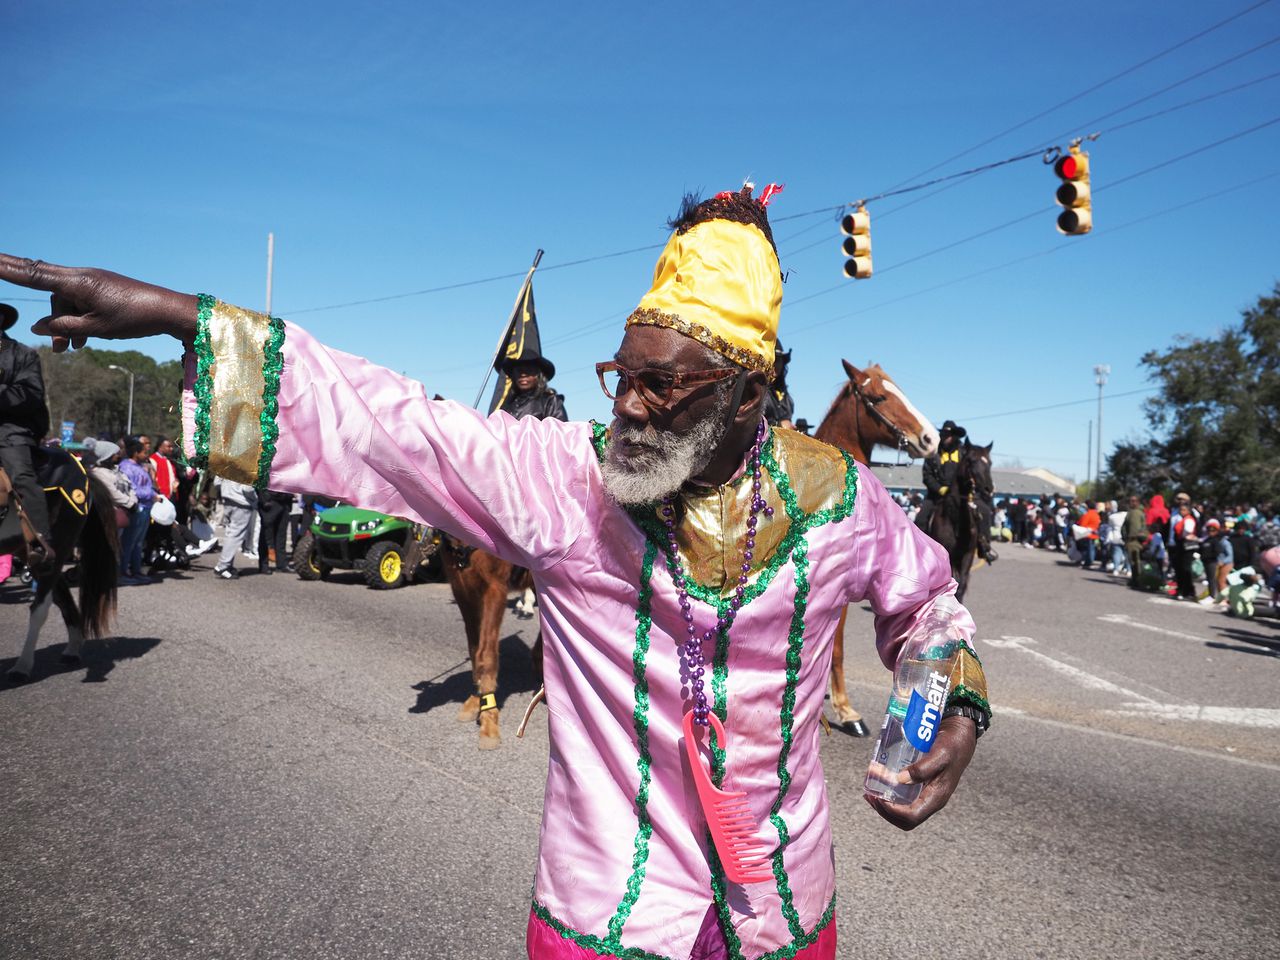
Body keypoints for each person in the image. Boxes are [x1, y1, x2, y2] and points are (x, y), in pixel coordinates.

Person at [0, 187, 988, 960]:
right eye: (620, 376)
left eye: (663, 383)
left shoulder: (836, 498)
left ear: (747, 395)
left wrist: (943, 707)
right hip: (605, 926)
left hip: (785, 921)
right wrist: (184, 316)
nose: (630, 409)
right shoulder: (565, 474)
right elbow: (397, 427)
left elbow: (926, 609)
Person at [0, 302, 55, 571]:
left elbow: (30, 393)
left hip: (10, 431)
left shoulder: (23, 354)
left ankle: (40, 542)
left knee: (21, 476)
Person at [915, 420, 997, 563]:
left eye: (949, 435)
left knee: (984, 510)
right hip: (937, 495)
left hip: (963, 494)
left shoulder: (964, 453)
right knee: (921, 517)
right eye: (944, 434)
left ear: (955, 436)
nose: (946, 437)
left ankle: (984, 544)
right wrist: (940, 489)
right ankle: (917, 549)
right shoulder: (933, 453)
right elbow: (927, 476)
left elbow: (973, 470)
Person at [117, 436, 156, 584]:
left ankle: (136, 570)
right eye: (143, 452)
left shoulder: (140, 467)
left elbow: (147, 486)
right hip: (136, 508)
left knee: (138, 542)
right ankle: (123, 571)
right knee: (129, 541)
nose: (146, 455)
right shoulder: (126, 467)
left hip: (146, 507)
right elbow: (132, 489)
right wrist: (152, 494)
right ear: (135, 453)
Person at [499, 349, 567, 422]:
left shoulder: (550, 402)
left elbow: (559, 430)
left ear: (539, 376)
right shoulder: (507, 404)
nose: (523, 374)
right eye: (519, 371)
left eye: (529, 371)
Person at [213, 478, 257, 580]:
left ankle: (227, 565)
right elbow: (248, 489)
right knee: (235, 535)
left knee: (230, 533)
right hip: (241, 501)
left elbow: (217, 482)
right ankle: (223, 566)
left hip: (227, 499)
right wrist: (256, 500)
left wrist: (225, 490)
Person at [256, 488, 294, 574]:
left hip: (284, 501)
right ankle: (263, 565)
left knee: (281, 535)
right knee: (266, 535)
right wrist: (264, 500)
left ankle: (281, 564)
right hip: (271, 501)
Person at [762, 339, 794, 428]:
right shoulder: (756, 389)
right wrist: (779, 425)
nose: (775, 364)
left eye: (778, 360)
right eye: (772, 359)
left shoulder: (786, 396)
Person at [1121, 495, 1148, 588]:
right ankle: (1135, 579)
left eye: (1134, 501)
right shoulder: (1132, 512)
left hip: (1135, 540)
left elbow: (1138, 528)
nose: (1132, 503)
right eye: (1131, 501)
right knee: (1133, 561)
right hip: (1133, 540)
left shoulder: (1136, 513)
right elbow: (1124, 527)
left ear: (1138, 502)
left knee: (1135, 561)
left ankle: (1138, 580)